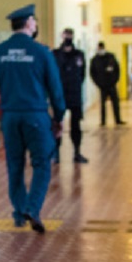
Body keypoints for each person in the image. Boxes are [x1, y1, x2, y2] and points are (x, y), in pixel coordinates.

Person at [0, 4, 66, 233]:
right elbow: (55, 89)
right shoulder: (42, 53)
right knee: (42, 164)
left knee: (15, 166)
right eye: (35, 21)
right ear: (30, 22)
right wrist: (59, 117)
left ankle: (20, 211)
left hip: (10, 118)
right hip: (36, 117)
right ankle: (33, 208)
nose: (36, 25)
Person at [52, 28, 89, 164]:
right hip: (59, 94)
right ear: (62, 36)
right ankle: (56, 154)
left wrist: (76, 84)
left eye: (70, 34)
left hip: (75, 95)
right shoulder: (55, 54)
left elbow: (82, 74)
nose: (68, 37)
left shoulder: (79, 54)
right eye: (66, 34)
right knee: (57, 124)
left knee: (76, 126)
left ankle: (77, 152)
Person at [90, 41, 125, 126]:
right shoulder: (95, 60)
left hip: (112, 84)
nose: (100, 50)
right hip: (102, 85)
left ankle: (118, 119)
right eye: (99, 48)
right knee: (102, 105)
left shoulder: (111, 57)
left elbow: (117, 69)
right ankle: (103, 121)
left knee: (115, 103)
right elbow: (92, 73)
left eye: (101, 48)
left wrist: (115, 80)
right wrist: (98, 83)